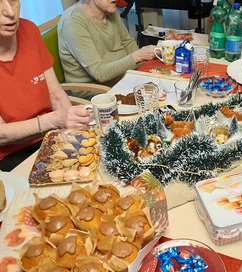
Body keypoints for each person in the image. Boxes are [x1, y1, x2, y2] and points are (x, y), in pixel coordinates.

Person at [0, 0, 91, 172]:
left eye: (12, 0)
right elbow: (1, 134)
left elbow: (56, 95)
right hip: (11, 157)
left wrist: (74, 136)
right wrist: (54, 120)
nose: (10, 12)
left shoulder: (29, 30)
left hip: (50, 137)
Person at [58, 0, 157, 97]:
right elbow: (100, 73)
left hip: (124, 79)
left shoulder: (109, 9)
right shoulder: (73, 22)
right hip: (99, 93)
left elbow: (127, 43)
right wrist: (138, 56)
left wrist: (143, 62)